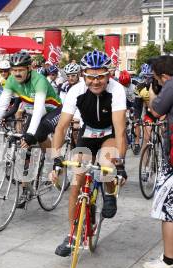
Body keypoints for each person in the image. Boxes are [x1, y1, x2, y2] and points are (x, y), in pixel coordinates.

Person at [51, 50, 127, 257]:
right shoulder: (76, 90)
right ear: (84, 75)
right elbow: (61, 127)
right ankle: (72, 235)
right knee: (76, 180)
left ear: (108, 74)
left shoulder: (117, 90)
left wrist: (120, 164)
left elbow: (120, 130)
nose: (96, 82)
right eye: (91, 76)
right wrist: (56, 160)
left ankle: (109, 191)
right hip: (87, 134)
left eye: (101, 76)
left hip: (109, 133)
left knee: (106, 162)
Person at [0, 51, 62, 151]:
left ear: (29, 68)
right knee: (25, 138)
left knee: (39, 133)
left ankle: (53, 159)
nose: (17, 74)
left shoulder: (39, 80)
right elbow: (2, 105)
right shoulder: (11, 80)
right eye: (14, 70)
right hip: (34, 111)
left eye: (20, 70)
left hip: (53, 110)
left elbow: (39, 108)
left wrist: (31, 133)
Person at [142, 55, 173, 268]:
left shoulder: (170, 85)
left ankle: (169, 261)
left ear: (163, 76)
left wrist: (154, 93)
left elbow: (156, 110)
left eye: (157, 79)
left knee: (167, 210)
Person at [119, 69, 140, 154]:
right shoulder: (119, 86)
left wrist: (135, 109)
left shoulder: (135, 83)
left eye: (127, 83)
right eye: (124, 84)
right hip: (125, 103)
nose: (127, 85)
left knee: (136, 122)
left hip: (135, 102)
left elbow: (138, 99)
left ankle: (137, 143)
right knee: (123, 121)